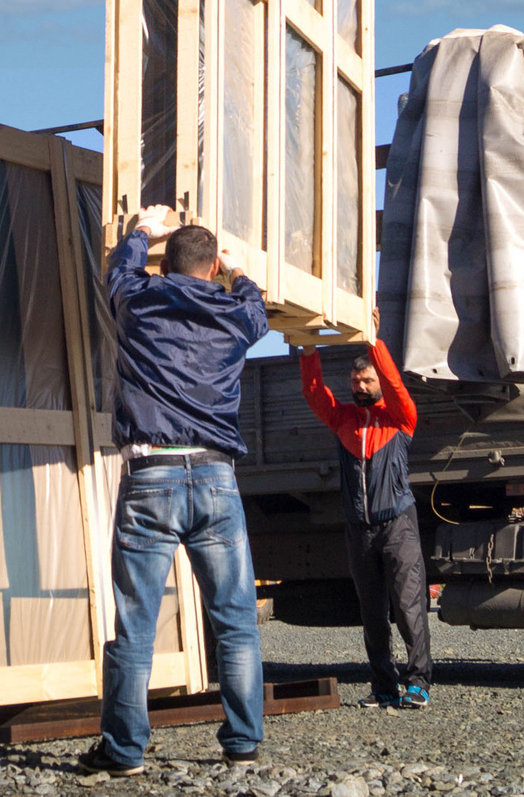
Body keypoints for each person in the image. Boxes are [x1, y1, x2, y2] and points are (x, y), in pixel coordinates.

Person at [81, 208, 272, 776]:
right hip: (215, 476)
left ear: (164, 266)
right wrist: (239, 271)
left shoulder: (140, 300)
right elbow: (257, 310)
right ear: (212, 268)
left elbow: (119, 271)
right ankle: (243, 743)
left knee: (136, 623)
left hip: (152, 475)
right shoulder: (235, 314)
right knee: (235, 620)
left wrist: (143, 229)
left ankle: (123, 751)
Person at [297, 315, 431, 709]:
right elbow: (314, 393)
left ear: (378, 383)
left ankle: (418, 684)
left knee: (408, 607)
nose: (361, 387)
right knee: (372, 613)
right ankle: (384, 686)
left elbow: (395, 384)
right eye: (356, 382)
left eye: (367, 381)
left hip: (398, 524)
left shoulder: (400, 417)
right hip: (359, 529)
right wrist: (308, 349)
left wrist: (374, 342)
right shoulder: (343, 419)